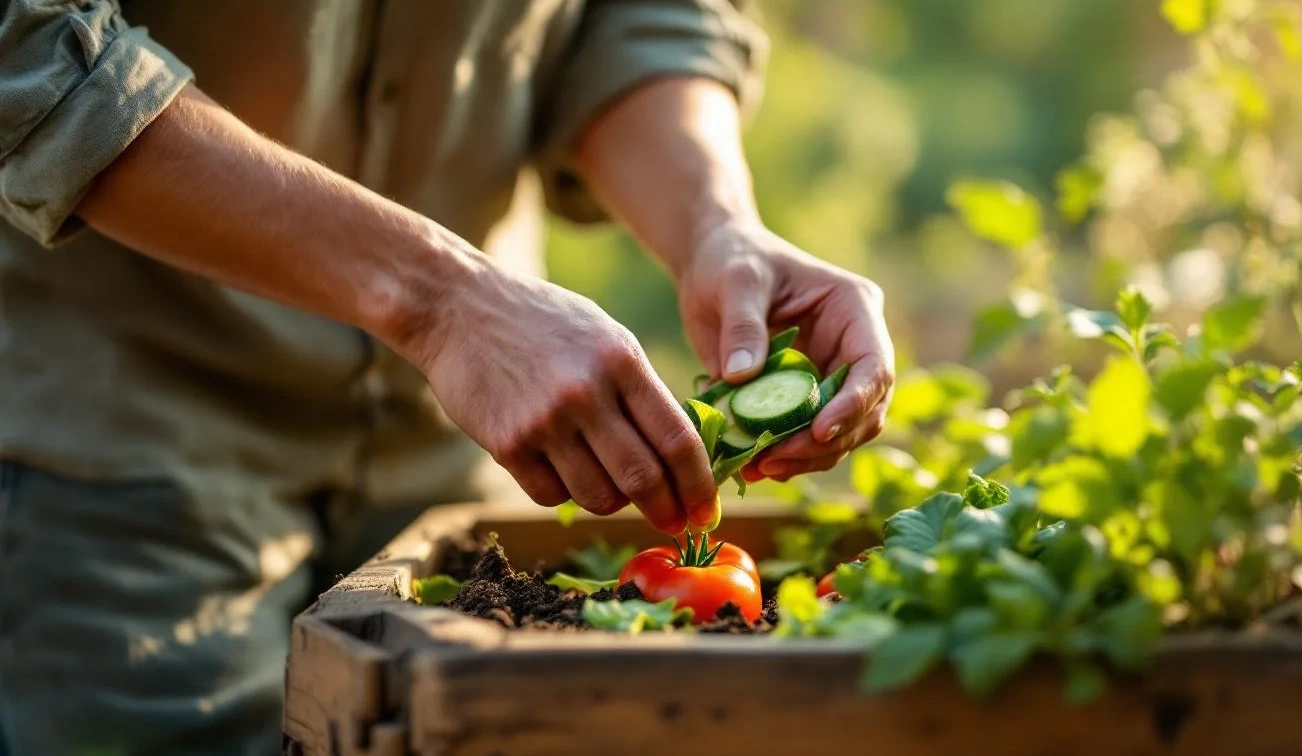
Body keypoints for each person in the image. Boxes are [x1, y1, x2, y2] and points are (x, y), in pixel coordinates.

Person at [0, 1, 895, 753]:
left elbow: (638, 15)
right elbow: (27, 46)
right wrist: (442, 300)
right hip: (112, 446)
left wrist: (714, 223)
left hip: (455, 456)